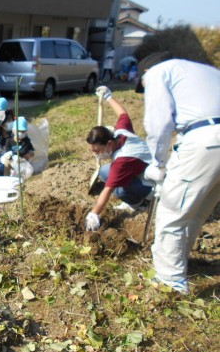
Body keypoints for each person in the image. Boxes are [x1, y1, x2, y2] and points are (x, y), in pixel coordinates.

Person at [136, 52, 220, 294]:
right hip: (209, 138)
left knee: (172, 212)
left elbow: (159, 122)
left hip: (207, 140)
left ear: (144, 74)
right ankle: (179, 261)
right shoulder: (206, 71)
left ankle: (170, 282)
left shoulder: (157, 73)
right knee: (196, 210)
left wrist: (158, 163)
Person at [84, 86, 153, 232]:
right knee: (104, 171)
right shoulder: (120, 132)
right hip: (140, 169)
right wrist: (109, 96)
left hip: (154, 184)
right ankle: (138, 198)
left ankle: (142, 204)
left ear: (109, 144)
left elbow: (108, 190)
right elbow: (123, 113)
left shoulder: (122, 160)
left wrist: (94, 213)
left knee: (119, 191)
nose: (95, 154)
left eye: (97, 150)